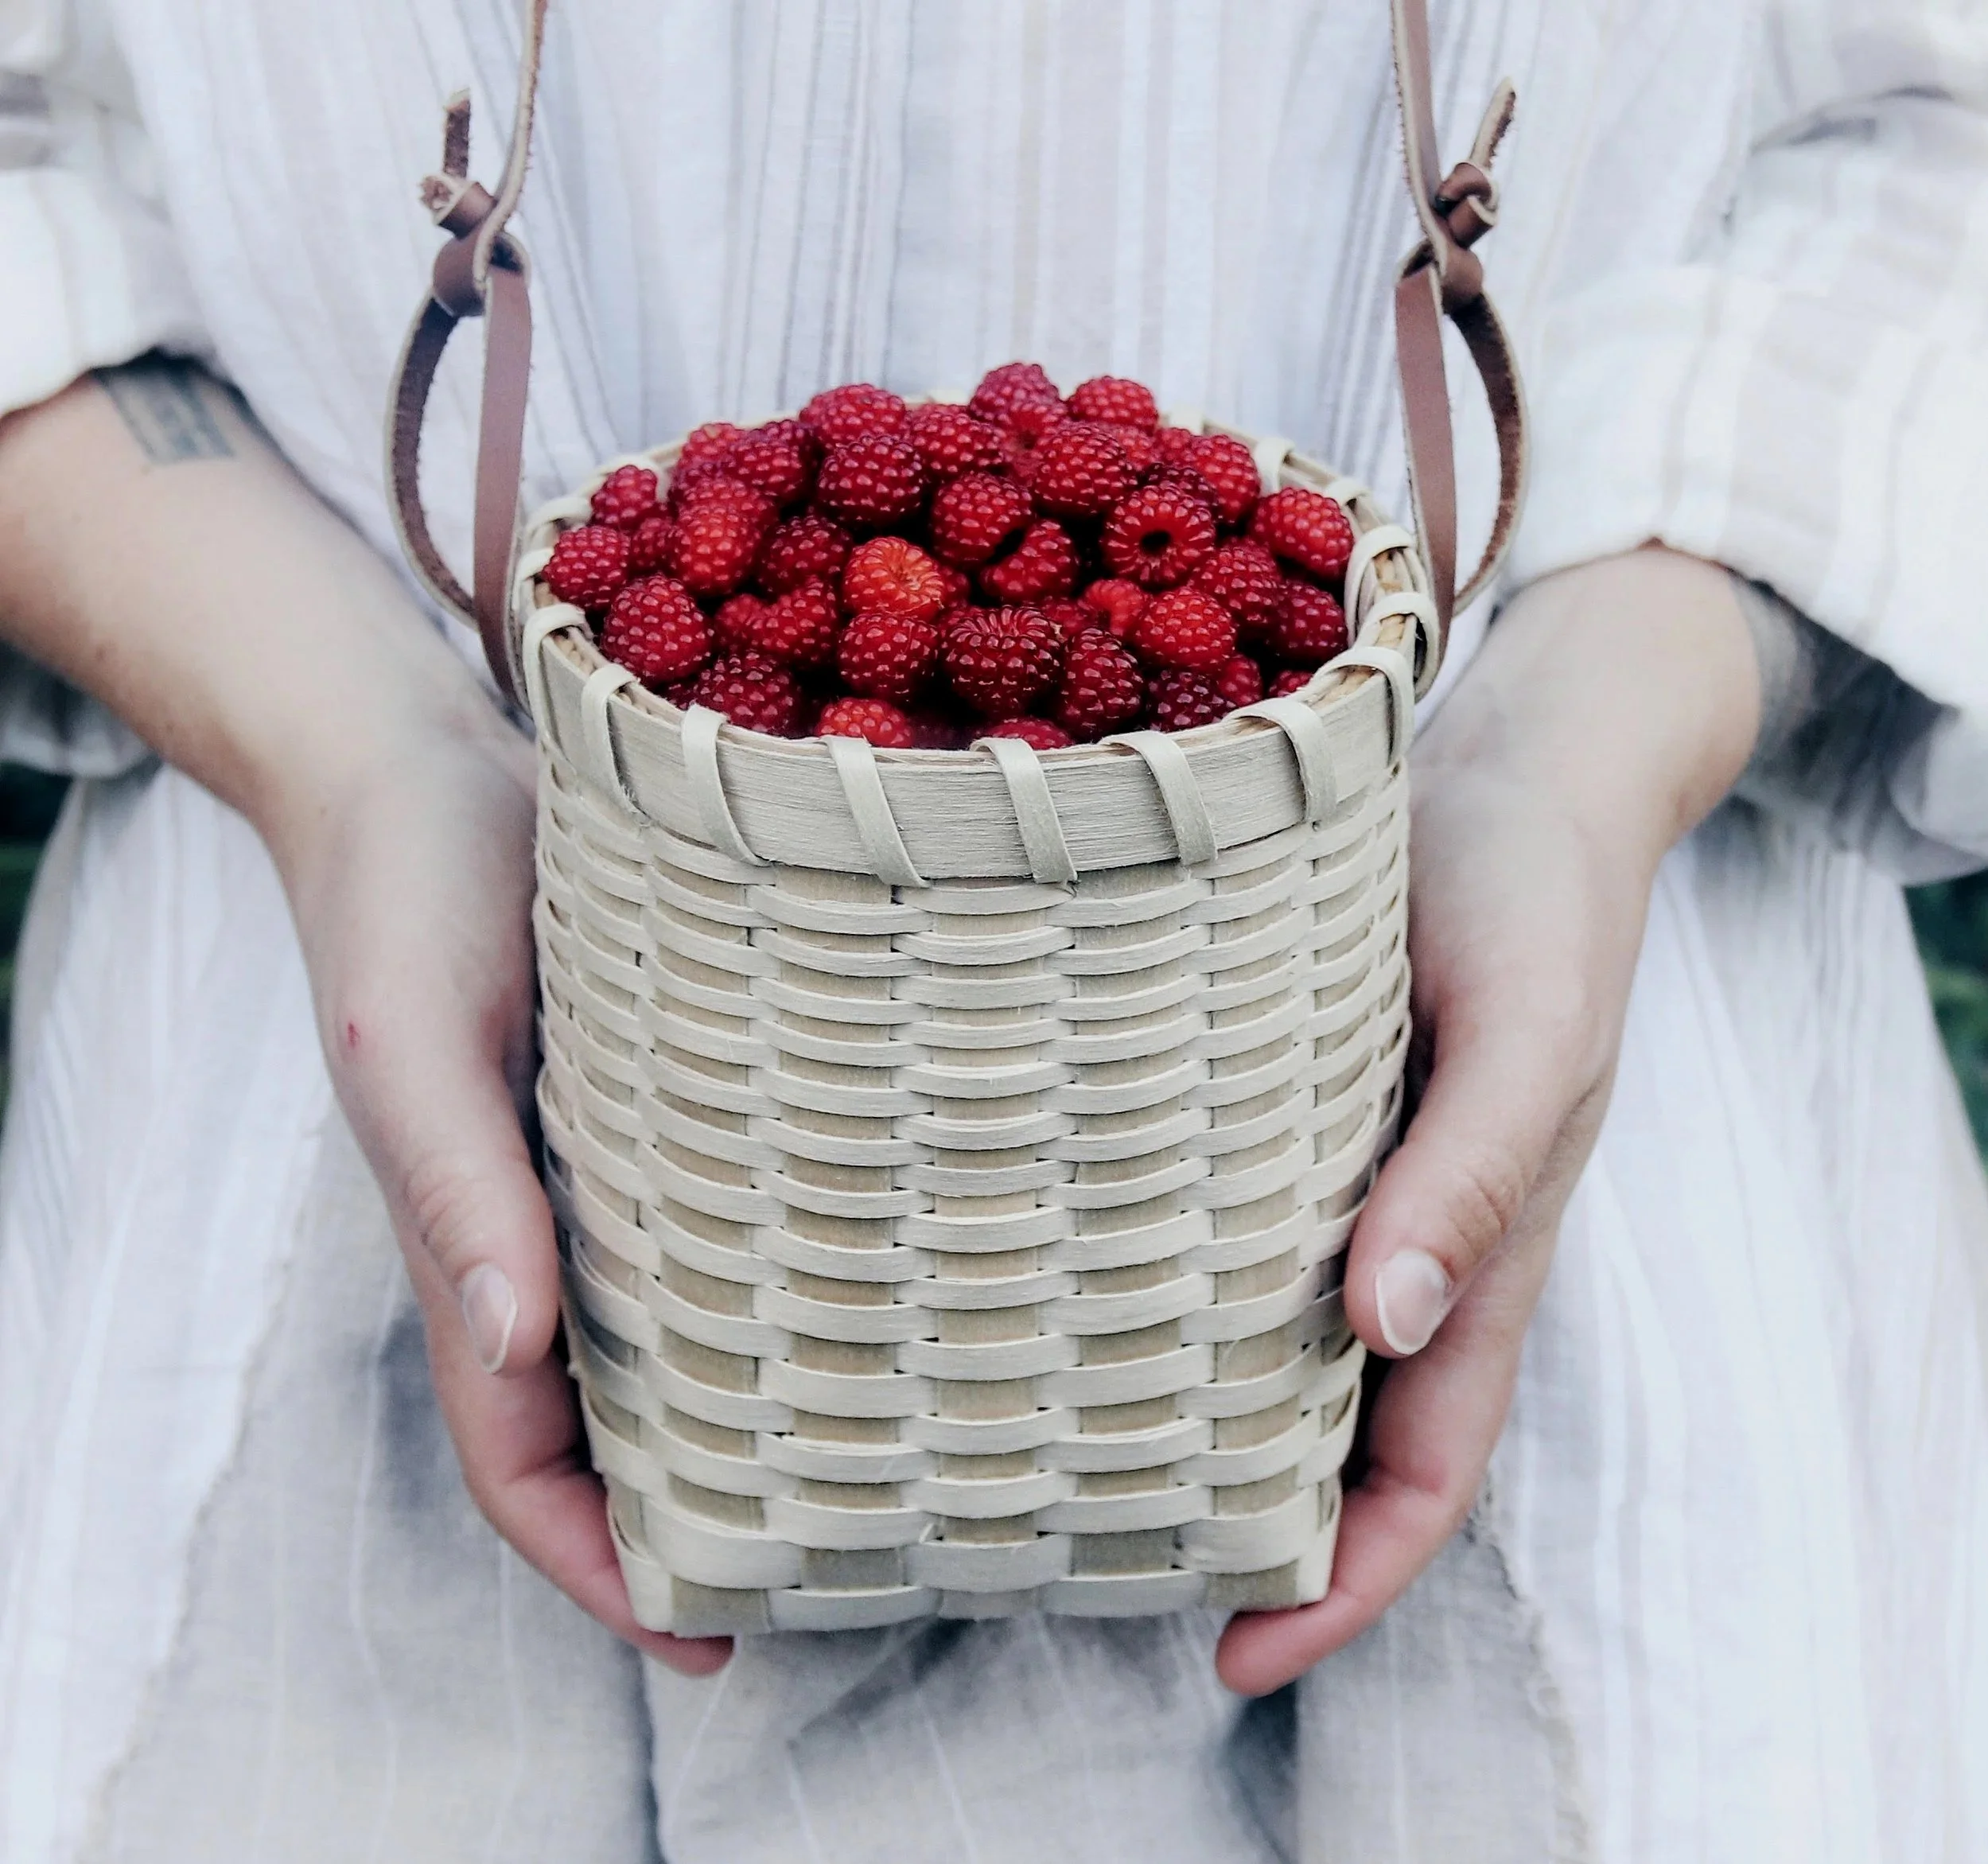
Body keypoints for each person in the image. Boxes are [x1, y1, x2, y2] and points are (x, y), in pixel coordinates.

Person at [2, 2, 1984, 1859]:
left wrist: (1570, 761)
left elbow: (1930, 178)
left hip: (1514, 1195)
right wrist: (357, 763)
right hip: (344, 1227)